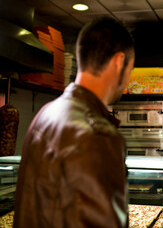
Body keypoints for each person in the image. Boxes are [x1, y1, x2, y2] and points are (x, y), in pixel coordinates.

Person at [13, 17, 135, 228]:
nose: (127, 80)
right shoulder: (96, 134)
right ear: (118, 61)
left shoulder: (47, 112)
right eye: (130, 69)